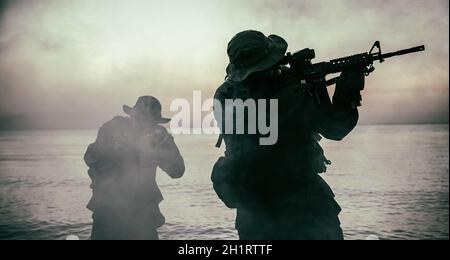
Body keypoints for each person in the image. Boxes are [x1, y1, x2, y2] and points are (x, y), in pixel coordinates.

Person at [212, 30, 364, 240]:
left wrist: (336, 88)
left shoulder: (288, 86)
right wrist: (283, 105)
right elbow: (334, 129)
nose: (273, 71)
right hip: (280, 209)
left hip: (284, 207)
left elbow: (333, 128)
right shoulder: (231, 95)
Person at [84, 96, 185, 240]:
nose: (143, 125)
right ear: (132, 116)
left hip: (142, 213)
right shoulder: (113, 128)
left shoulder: (159, 136)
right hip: (107, 209)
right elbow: (90, 158)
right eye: (140, 119)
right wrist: (119, 148)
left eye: (149, 122)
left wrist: (165, 145)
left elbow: (177, 171)